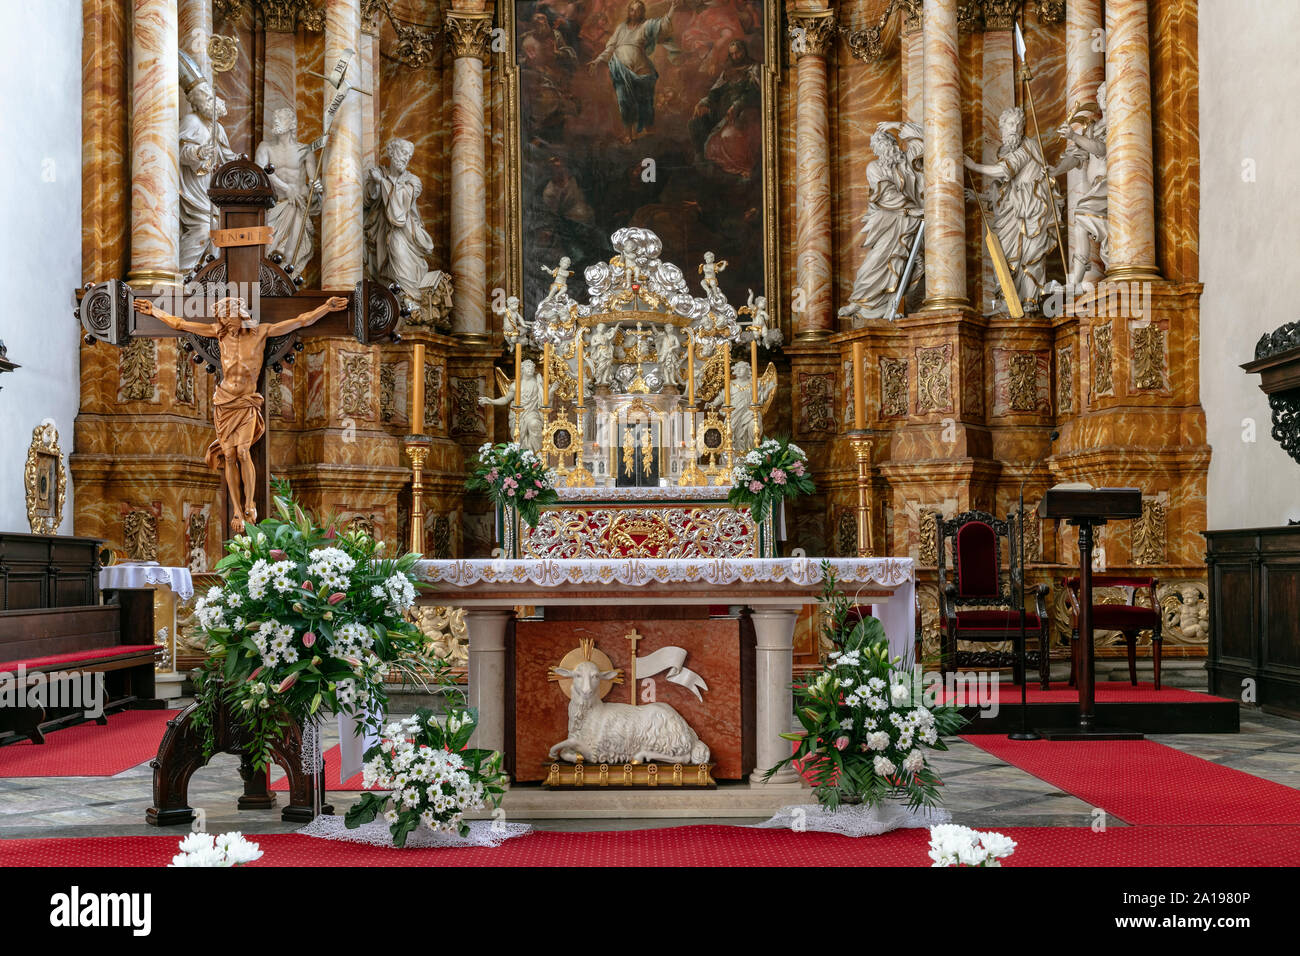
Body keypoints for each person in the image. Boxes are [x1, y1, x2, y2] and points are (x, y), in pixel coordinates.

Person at [133, 294, 348, 532]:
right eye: (221, 317)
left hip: (246, 401)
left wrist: (326, 308)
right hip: (224, 401)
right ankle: (236, 509)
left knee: (244, 451)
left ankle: (250, 504)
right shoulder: (220, 333)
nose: (224, 322)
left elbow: (302, 320)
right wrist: (154, 311)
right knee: (228, 455)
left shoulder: (262, 332)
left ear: (240, 312)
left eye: (227, 315)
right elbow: (180, 324)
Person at [964, 106, 1061, 308]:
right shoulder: (1008, 151)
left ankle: (1029, 300)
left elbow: (1003, 171)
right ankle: (1008, 300)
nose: (1015, 128)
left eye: (1019, 124)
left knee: (1030, 255)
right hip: (1017, 212)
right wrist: (979, 197)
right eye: (1010, 124)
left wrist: (973, 166)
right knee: (1007, 255)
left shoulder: (1027, 146)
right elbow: (1004, 195)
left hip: (1033, 210)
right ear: (1001, 126)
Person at [840, 122, 925, 322]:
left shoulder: (905, 162)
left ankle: (889, 305)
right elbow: (886, 194)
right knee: (875, 261)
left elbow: (926, 140)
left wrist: (898, 125)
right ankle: (860, 300)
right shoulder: (874, 167)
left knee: (903, 264)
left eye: (885, 143)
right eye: (878, 147)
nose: (883, 149)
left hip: (909, 223)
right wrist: (913, 210)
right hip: (887, 222)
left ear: (893, 143)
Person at [587, 0, 679, 143]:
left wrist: (672, 8)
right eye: (632, 10)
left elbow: (662, 26)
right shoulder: (621, 28)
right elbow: (610, 48)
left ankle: (648, 128)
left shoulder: (646, 25)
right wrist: (598, 60)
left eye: (638, 10)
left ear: (642, 12)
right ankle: (628, 134)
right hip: (621, 69)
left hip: (642, 68)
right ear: (628, 12)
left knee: (645, 99)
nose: (634, 12)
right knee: (624, 101)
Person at [363, 138, 436, 312]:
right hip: (380, 232)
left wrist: (382, 182)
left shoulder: (413, 181)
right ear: (392, 152)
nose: (406, 158)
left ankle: (410, 302)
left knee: (398, 250)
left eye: (409, 155)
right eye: (403, 152)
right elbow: (365, 201)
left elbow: (400, 207)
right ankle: (393, 303)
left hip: (404, 232)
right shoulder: (378, 173)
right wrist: (374, 184)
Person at [1052, 82, 1109, 289]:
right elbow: (1077, 157)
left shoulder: (1118, 124)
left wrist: (1074, 136)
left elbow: (1102, 150)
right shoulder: (1094, 127)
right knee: (1080, 221)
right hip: (1097, 187)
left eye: (1107, 93)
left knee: (1082, 214)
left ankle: (1077, 280)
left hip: (1111, 185)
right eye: (1100, 94)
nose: (1102, 98)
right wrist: (1055, 171)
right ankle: (1076, 282)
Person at [179, 82, 237, 272]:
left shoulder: (217, 127)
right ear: (197, 104)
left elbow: (228, 156)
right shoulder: (191, 121)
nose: (212, 102)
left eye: (212, 98)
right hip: (194, 187)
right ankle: (183, 272)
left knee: (217, 232)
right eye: (207, 99)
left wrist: (242, 165)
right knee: (203, 229)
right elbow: (178, 151)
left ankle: (204, 273)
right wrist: (199, 152)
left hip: (210, 189)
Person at [255, 108, 320, 273]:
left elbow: (313, 180)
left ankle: (287, 284)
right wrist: (286, 188)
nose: (276, 120)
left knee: (290, 254)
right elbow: (261, 173)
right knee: (266, 250)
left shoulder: (305, 150)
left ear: (292, 124)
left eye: (281, 118)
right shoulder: (265, 147)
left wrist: (317, 187)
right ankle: (270, 283)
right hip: (273, 207)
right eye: (275, 117)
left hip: (297, 206)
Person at [688, 39, 762, 178]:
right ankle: (702, 163)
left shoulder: (754, 68)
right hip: (723, 112)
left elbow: (755, 92)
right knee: (695, 122)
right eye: (732, 54)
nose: (735, 57)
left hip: (746, 111)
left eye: (738, 53)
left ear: (744, 51)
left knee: (727, 137)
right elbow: (715, 91)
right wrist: (704, 102)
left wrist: (737, 105)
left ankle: (741, 169)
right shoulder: (728, 70)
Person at [478, 359, 556, 452]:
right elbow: (506, 399)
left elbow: (545, 400)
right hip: (518, 415)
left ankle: (538, 453)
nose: (531, 368)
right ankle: (521, 456)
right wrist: (491, 401)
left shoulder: (538, 382)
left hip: (532, 412)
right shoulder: (515, 385)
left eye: (532, 366)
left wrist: (552, 390)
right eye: (528, 366)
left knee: (534, 424)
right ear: (521, 369)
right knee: (518, 436)